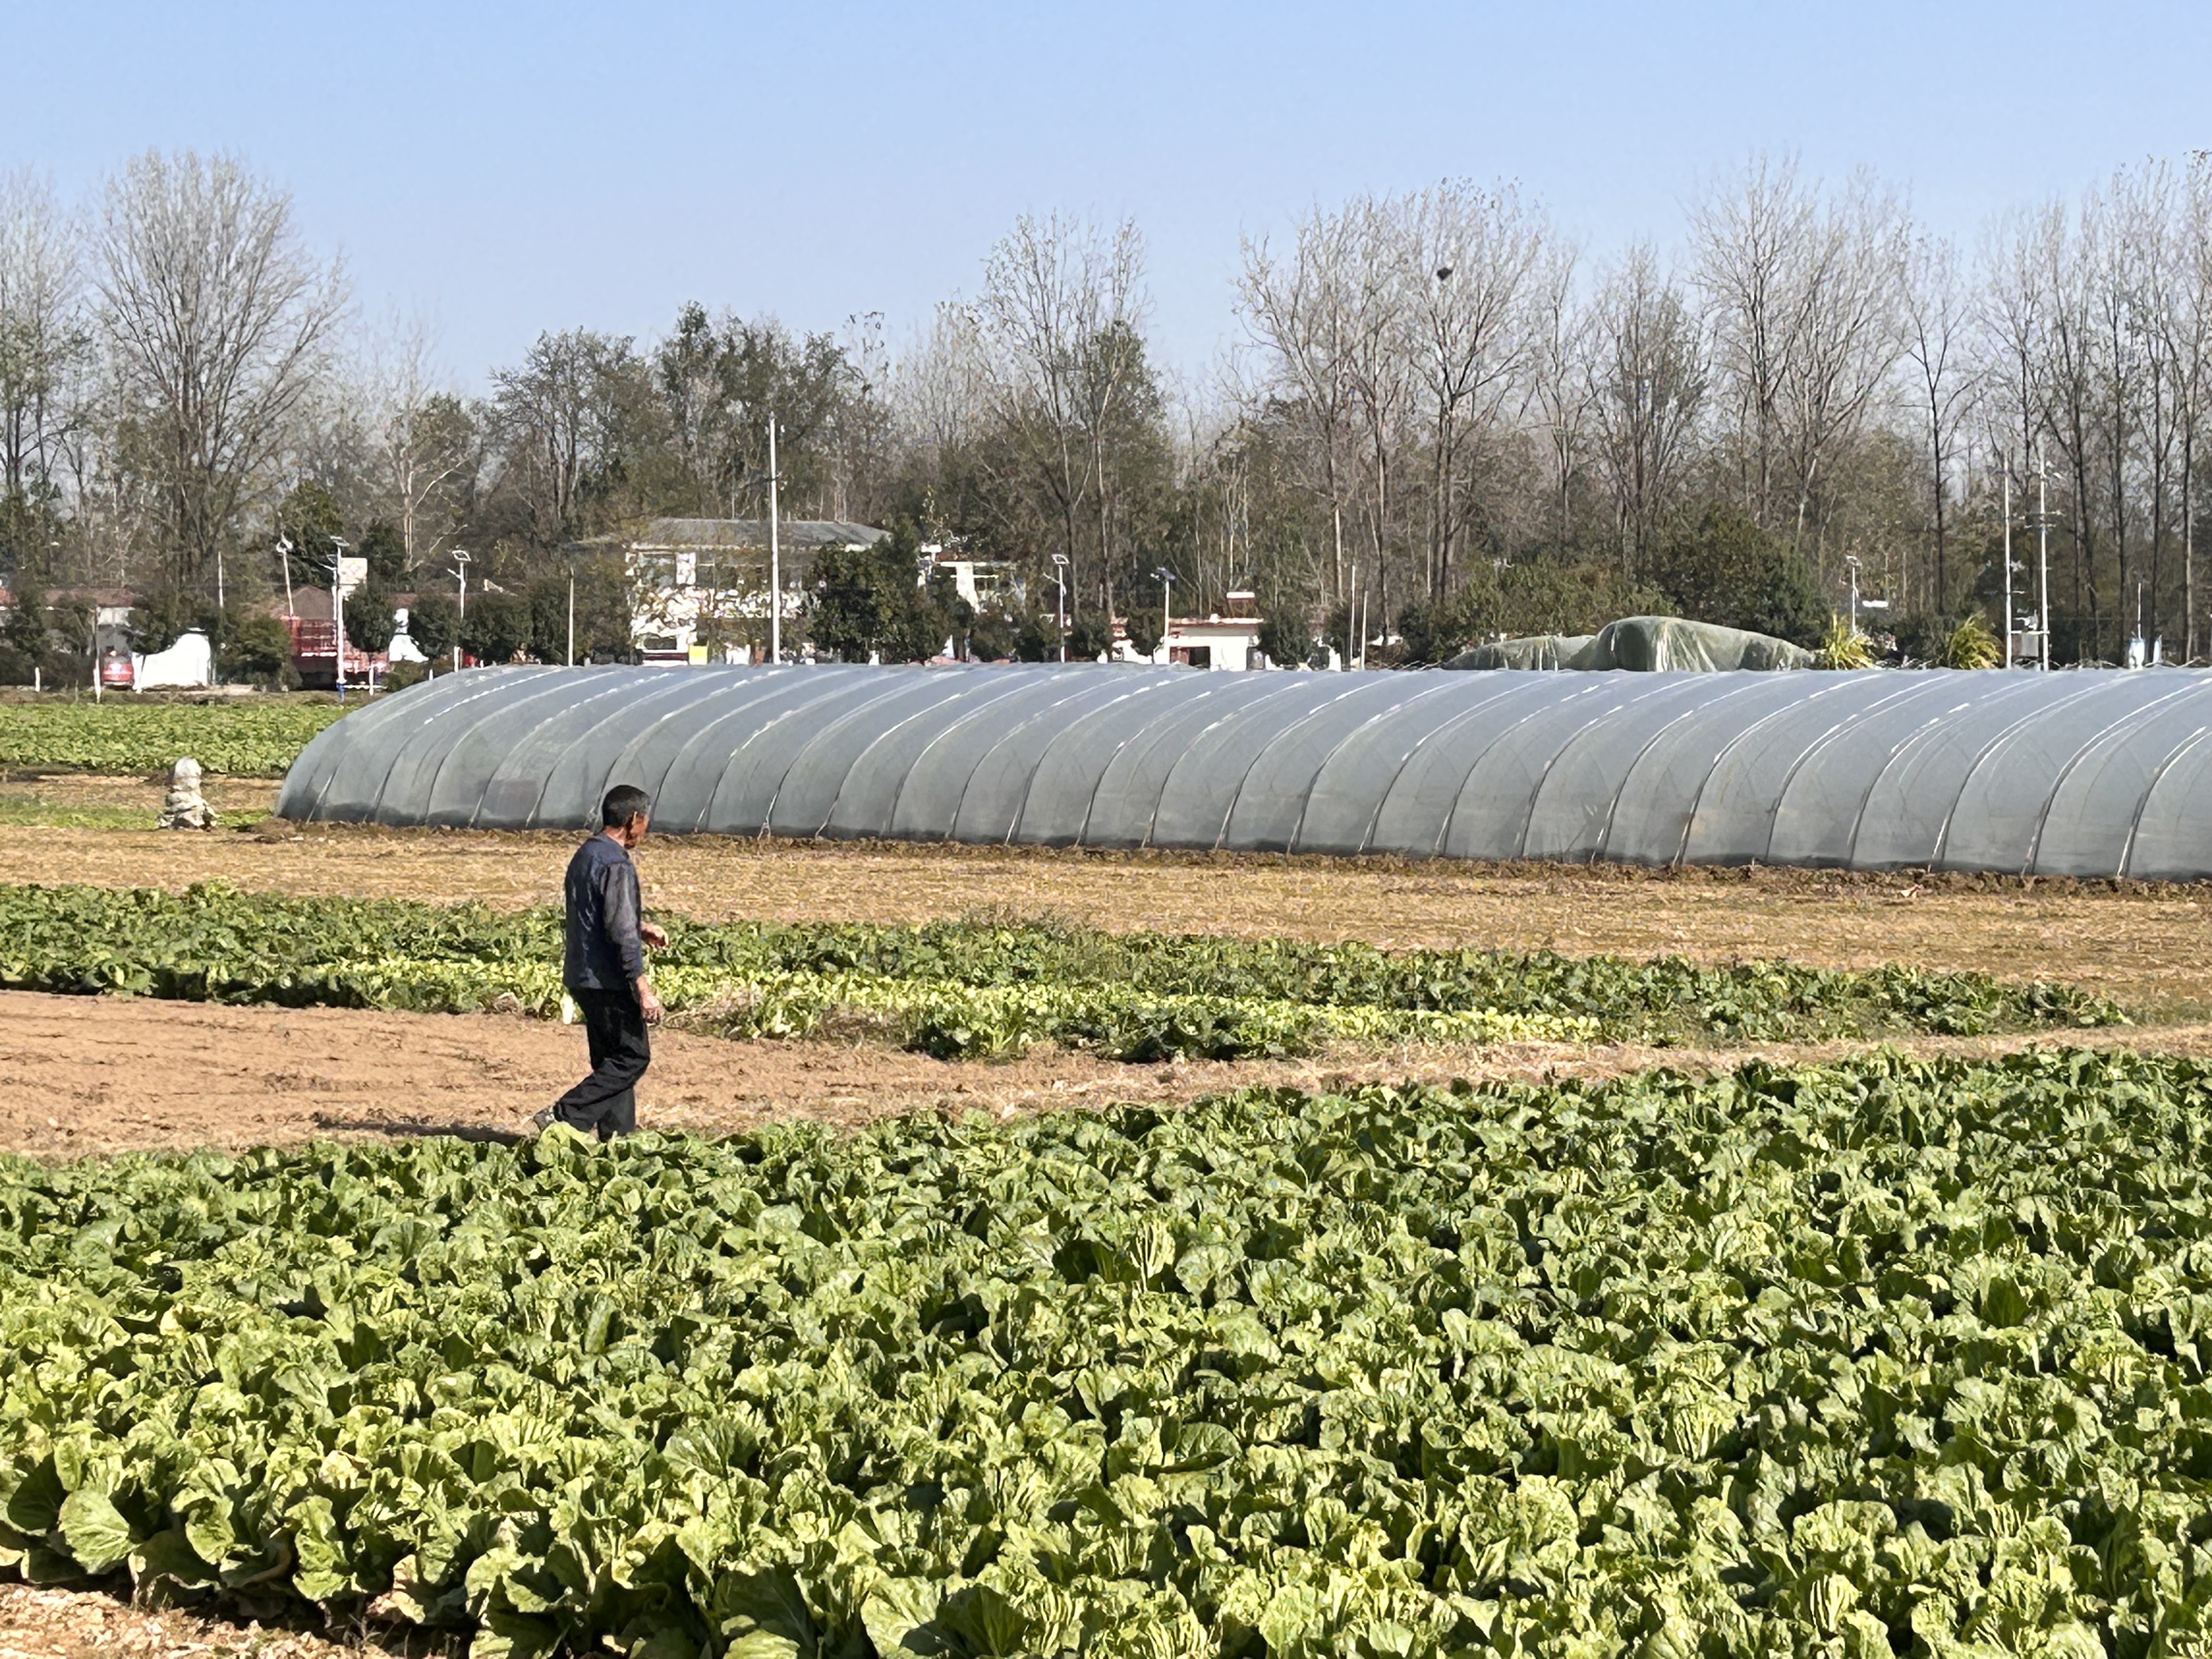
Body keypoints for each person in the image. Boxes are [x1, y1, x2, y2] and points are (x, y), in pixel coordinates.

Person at [534, 784, 667, 1138]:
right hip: (606, 979)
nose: (646, 828)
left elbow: (600, 914)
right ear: (633, 819)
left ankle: (618, 1142)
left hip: (581, 975)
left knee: (611, 1063)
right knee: (632, 1058)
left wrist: (640, 926)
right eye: (645, 821)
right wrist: (643, 987)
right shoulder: (615, 862)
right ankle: (564, 1116)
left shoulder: (587, 854)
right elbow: (619, 932)